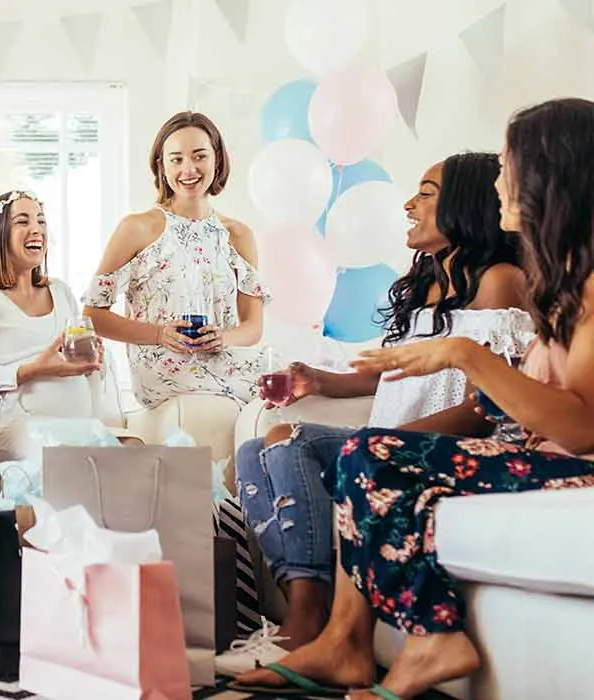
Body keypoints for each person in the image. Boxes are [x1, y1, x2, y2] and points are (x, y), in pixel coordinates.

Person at [234, 97, 594, 699]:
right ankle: (346, 641)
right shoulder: (560, 278)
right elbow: (523, 401)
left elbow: (581, 429)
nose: (501, 178)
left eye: (509, 163)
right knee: (359, 453)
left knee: (370, 455)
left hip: (571, 468)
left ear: (546, 172)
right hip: (541, 453)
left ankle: (426, 638)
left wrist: (464, 356)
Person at [222, 153, 533, 671]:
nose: (409, 205)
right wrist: (322, 380)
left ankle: (305, 623)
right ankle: (307, 613)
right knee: (258, 450)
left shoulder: (498, 282)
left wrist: (389, 442)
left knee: (290, 442)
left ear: (465, 205)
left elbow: (488, 408)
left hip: (446, 444)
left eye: (426, 193)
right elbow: (398, 369)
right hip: (393, 440)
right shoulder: (430, 281)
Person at [82, 111, 271, 408]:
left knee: (288, 387)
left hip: (224, 359)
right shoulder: (137, 227)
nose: (189, 169)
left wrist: (224, 337)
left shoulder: (238, 235)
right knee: (265, 397)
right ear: (162, 165)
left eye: (199, 156)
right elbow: (93, 315)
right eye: (176, 159)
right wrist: (158, 334)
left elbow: (253, 327)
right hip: (162, 368)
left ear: (217, 159)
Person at [0, 190, 133, 468]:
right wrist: (35, 369)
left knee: (133, 447)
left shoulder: (60, 291)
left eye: (41, 220)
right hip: (1, 426)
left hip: (69, 428)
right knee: (62, 453)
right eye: (22, 221)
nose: (36, 229)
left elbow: (78, 364)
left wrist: (92, 358)